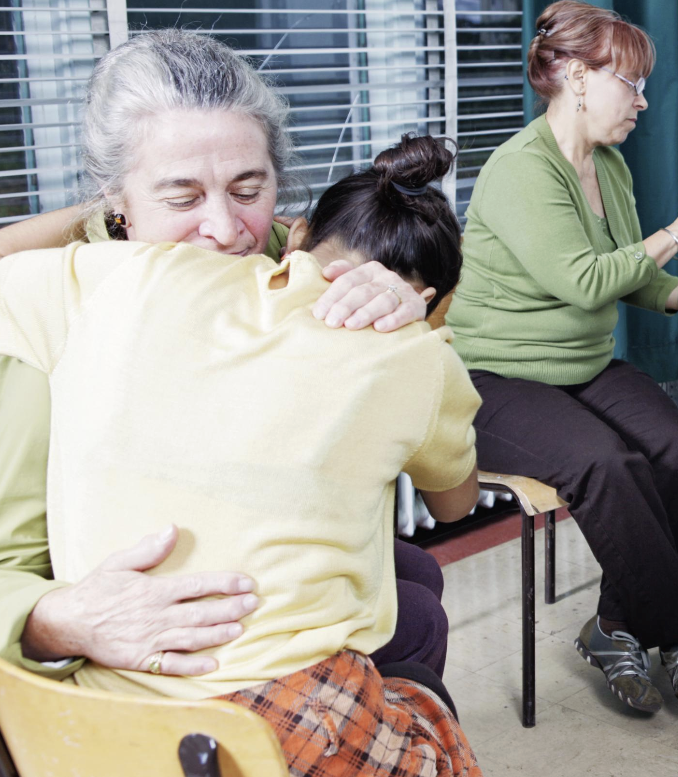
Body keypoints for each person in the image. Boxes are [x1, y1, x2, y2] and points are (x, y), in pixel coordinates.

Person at [0, 121, 483, 776]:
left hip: (208, 626)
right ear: (117, 203)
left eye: (248, 190)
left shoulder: (248, 261)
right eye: (181, 196)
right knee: (412, 627)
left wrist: (394, 305)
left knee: (416, 580)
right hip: (107, 654)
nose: (225, 230)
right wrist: (52, 617)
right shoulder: (87, 293)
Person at [444, 0, 678, 712]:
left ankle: (615, 627)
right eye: (631, 84)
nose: (642, 101)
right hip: (496, 378)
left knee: (676, 445)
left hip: (578, 363)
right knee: (604, 463)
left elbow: (628, 272)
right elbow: (584, 282)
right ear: (578, 78)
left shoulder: (608, 166)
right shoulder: (521, 169)